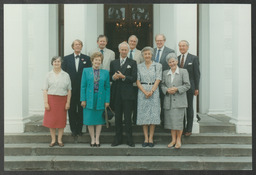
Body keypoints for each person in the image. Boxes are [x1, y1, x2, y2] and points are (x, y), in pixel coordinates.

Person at [110, 42, 137, 147]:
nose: (124, 51)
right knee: (117, 118)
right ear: (119, 50)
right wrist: (114, 77)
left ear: (128, 50)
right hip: (116, 94)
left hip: (128, 94)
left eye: (126, 50)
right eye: (122, 49)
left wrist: (123, 77)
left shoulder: (133, 62)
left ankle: (129, 139)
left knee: (127, 118)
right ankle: (118, 139)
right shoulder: (114, 62)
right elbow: (110, 76)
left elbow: (134, 78)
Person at [62, 39, 92, 137]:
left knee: (81, 109)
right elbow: (64, 74)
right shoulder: (66, 59)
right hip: (70, 89)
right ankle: (73, 130)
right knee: (71, 110)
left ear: (81, 46)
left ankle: (79, 129)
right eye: (76, 44)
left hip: (82, 89)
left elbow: (89, 74)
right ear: (73, 46)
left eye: (79, 44)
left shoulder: (87, 59)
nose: (78, 46)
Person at [80, 52, 110, 147]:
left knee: (98, 120)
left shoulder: (105, 72)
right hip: (89, 98)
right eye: (96, 60)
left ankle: (97, 139)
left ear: (101, 62)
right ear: (92, 61)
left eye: (99, 60)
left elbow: (107, 87)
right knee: (89, 120)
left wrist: (107, 100)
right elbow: (83, 86)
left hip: (100, 98)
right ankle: (92, 138)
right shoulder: (86, 71)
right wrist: (83, 99)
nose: (97, 62)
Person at [161, 53, 190, 149]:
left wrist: (177, 89)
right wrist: (166, 90)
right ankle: (173, 140)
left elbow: (187, 85)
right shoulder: (165, 73)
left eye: (173, 61)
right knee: (171, 121)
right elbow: (162, 85)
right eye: (170, 62)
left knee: (178, 121)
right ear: (168, 63)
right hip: (168, 101)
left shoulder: (183, 71)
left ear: (177, 61)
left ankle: (178, 140)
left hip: (179, 101)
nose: (172, 63)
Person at [43, 56, 72, 147]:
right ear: (52, 63)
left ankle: (59, 140)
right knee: (51, 121)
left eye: (58, 61)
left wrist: (68, 102)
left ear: (61, 63)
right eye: (55, 61)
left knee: (61, 121)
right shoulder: (48, 75)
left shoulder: (66, 75)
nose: (56, 63)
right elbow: (45, 90)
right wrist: (46, 102)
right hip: (51, 100)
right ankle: (53, 140)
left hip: (62, 100)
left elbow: (69, 90)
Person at [136, 47, 162, 147]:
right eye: (145, 54)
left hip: (154, 91)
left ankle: (151, 138)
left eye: (149, 54)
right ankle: (145, 138)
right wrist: (144, 91)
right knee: (144, 115)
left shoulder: (157, 66)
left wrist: (151, 91)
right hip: (142, 91)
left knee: (153, 115)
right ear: (143, 55)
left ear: (152, 55)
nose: (147, 56)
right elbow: (137, 80)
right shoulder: (139, 66)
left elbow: (158, 79)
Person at [177, 40, 200, 137]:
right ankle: (181, 128)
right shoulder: (177, 58)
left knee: (189, 107)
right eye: (180, 46)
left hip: (190, 88)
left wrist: (197, 88)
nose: (182, 48)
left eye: (183, 46)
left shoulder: (194, 58)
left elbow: (197, 74)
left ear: (187, 47)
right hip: (180, 88)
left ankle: (189, 129)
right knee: (181, 108)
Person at [153, 34, 176, 127]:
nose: (159, 42)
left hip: (165, 81)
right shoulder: (152, 51)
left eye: (161, 40)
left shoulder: (170, 51)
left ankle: (164, 121)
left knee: (164, 102)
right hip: (153, 82)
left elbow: (173, 66)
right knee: (154, 101)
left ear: (164, 41)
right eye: (157, 40)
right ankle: (155, 120)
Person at [127, 35, 144, 124]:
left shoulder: (140, 53)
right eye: (131, 41)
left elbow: (142, 66)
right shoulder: (124, 51)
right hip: (125, 82)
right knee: (127, 102)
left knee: (136, 102)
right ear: (128, 42)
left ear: (136, 43)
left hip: (136, 82)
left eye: (134, 41)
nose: (132, 43)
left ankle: (135, 119)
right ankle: (127, 118)